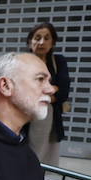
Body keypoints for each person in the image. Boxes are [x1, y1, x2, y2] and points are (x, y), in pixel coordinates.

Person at [25, 22, 71, 165]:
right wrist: (51, 91)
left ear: (53, 42)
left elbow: (63, 91)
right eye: (37, 38)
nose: (41, 42)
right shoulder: (21, 63)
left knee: (46, 160)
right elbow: (23, 91)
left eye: (46, 38)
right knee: (25, 156)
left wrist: (42, 94)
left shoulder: (59, 62)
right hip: (24, 118)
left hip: (50, 119)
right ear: (29, 41)